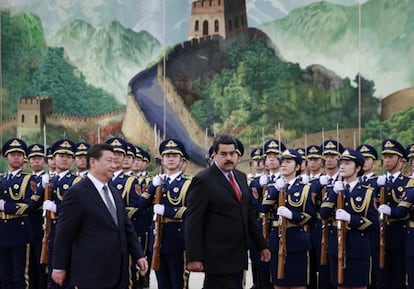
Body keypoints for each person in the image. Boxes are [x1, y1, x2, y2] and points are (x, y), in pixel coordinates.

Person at [51, 143, 148, 289]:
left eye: (115, 161)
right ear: (93, 162)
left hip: (119, 272)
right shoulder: (77, 193)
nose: (114, 165)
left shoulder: (114, 192)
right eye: (109, 161)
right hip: (91, 272)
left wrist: (139, 255)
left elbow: (126, 228)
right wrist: (59, 266)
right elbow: (64, 233)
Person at [185, 134, 271, 289]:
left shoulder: (241, 177)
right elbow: (193, 222)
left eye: (232, 153)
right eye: (223, 154)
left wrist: (261, 245)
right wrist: (194, 257)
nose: (229, 158)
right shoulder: (203, 180)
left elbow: (247, 214)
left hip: (238, 254)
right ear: (214, 155)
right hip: (216, 257)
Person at [138, 138, 192, 289]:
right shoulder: (157, 182)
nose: (171, 159)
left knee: (178, 282)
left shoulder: (188, 183)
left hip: (177, 238)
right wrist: (151, 187)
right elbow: (141, 205)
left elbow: (191, 211)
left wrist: (167, 211)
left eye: (175, 156)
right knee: (162, 283)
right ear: (162, 159)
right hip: (157, 239)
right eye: (167, 156)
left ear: (181, 159)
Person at [320, 149, 376, 289]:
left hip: (357, 247)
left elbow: (373, 222)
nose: (342, 166)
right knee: (340, 285)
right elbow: (324, 213)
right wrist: (333, 193)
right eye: (341, 163)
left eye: (347, 163)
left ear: (357, 168)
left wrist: (351, 218)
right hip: (336, 246)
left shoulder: (367, 192)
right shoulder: (334, 189)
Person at [0, 138, 42, 289]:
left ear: (24, 157)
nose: (16, 157)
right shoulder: (2, 179)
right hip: (2, 231)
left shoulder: (30, 179)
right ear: (7, 157)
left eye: (19, 154)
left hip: (20, 230)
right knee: (4, 276)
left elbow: (30, 205)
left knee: (20, 276)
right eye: (12, 154)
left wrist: (5, 206)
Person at [376, 139, 411, 289]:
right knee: (381, 278)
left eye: (391, 156)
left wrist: (391, 211)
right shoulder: (376, 182)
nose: (387, 160)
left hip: (399, 234)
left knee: (398, 278)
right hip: (379, 234)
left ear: (402, 161)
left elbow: (404, 210)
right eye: (385, 156)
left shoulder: (407, 183)